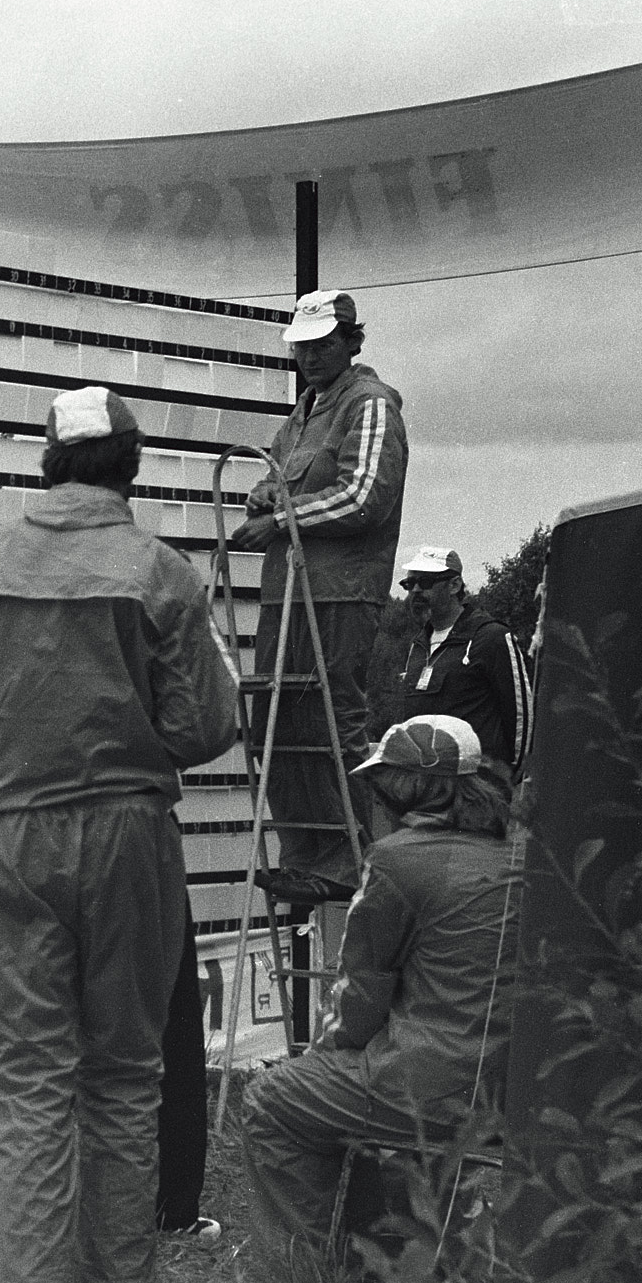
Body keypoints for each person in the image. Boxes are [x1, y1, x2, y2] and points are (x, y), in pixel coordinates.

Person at [0, 386, 239, 1283]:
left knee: (32, 1087)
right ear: (130, 470)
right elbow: (210, 720)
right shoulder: (164, 571)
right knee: (127, 1082)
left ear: (46, 463)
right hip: (132, 837)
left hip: (10, 840)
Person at [242, 715, 519, 1264]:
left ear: (401, 789)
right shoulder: (521, 857)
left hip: (431, 1088)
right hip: (509, 1093)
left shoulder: (397, 860)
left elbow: (358, 996)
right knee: (349, 1090)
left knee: (274, 1100)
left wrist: (322, 1060)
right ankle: (386, 1258)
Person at [229, 289, 409, 906]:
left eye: (321, 342)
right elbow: (280, 474)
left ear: (352, 341)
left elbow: (365, 497)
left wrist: (279, 520)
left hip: (340, 595)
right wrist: (262, 494)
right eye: (301, 345)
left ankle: (367, 863)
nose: (308, 355)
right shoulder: (305, 410)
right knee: (281, 727)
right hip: (289, 594)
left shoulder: (371, 404)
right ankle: (313, 859)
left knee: (334, 724)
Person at [0, 895, 223, 1247]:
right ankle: (173, 1209)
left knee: (56, 1048)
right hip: (132, 883)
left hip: (54, 885)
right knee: (172, 1038)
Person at [395, 547, 534, 774]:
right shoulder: (418, 645)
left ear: (454, 585)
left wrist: (508, 778)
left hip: (476, 787)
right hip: (428, 786)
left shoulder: (490, 637)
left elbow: (521, 716)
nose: (416, 591)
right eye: (410, 584)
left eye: (426, 581)